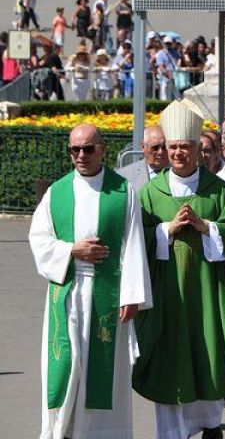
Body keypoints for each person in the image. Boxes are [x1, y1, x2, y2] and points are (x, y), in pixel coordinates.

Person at [132, 100, 225, 439]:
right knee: (170, 369)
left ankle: (210, 428)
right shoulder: (148, 195)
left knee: (208, 361)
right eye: (172, 147)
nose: (177, 153)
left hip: (208, 301)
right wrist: (165, 231)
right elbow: (133, 242)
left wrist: (208, 228)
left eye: (185, 146)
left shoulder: (221, 193)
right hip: (166, 301)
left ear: (198, 150)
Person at [29, 123, 152, 439]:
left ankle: (103, 433)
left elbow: (134, 242)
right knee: (67, 365)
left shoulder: (123, 191)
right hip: (67, 291)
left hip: (108, 293)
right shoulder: (57, 192)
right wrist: (72, 250)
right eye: (74, 149)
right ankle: (63, 430)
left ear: (103, 149)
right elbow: (39, 239)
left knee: (104, 372)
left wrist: (132, 295)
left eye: (88, 148)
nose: (81, 155)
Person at [117, 125, 169, 193]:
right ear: (143, 146)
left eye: (164, 147)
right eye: (155, 147)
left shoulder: (181, 172)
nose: (160, 152)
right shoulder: (124, 176)